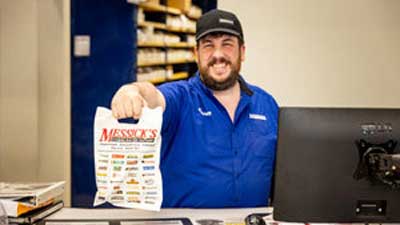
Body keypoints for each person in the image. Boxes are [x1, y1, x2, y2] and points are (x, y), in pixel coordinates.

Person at [111, 9, 279, 208]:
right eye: (208, 45)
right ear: (196, 54)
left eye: (227, 44)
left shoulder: (266, 103)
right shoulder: (181, 98)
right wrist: (131, 90)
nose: (218, 55)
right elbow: (154, 96)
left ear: (242, 52)